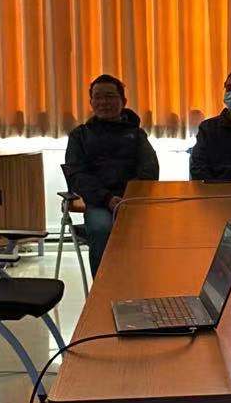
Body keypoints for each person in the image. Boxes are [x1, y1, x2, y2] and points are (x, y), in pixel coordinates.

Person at [63, 74, 160, 274]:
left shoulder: (136, 134)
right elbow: (77, 175)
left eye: (109, 96)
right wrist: (107, 198)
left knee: (158, 230)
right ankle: (103, 286)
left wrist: (128, 197)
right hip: (99, 201)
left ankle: (142, 282)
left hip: (132, 201)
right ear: (91, 102)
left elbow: (149, 170)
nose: (103, 102)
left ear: (123, 101)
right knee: (101, 229)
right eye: (98, 97)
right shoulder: (80, 135)